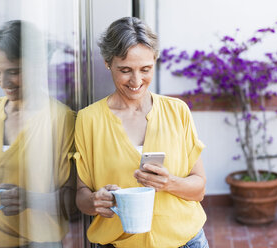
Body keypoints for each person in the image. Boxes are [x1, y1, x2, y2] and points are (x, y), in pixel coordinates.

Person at [74, 17, 209, 248]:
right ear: (108, 63)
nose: (136, 81)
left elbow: (199, 189)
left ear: (155, 60)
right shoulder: (89, 119)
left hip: (187, 241)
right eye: (125, 70)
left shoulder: (177, 111)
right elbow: (81, 196)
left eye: (145, 69)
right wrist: (96, 200)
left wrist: (169, 183)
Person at [0, 20, 75, 247]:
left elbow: (73, 201)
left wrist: (30, 199)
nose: (3, 82)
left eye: (13, 72)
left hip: (35, 242)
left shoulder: (61, 119)